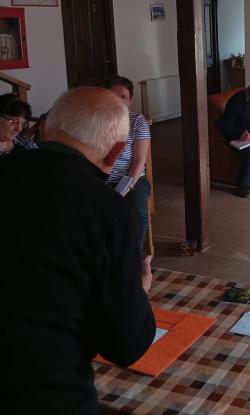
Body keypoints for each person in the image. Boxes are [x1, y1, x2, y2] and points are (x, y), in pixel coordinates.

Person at [0, 87, 156, 413]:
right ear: (116, 153)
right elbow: (125, 346)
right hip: (44, 395)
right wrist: (139, 292)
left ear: (43, 129)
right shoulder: (107, 210)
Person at [105, 76, 151, 249]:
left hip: (133, 179)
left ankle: (133, 256)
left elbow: (139, 161)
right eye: (113, 96)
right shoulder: (97, 121)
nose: (117, 101)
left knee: (137, 211)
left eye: (123, 96)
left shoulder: (137, 121)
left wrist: (123, 188)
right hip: (103, 177)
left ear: (130, 99)